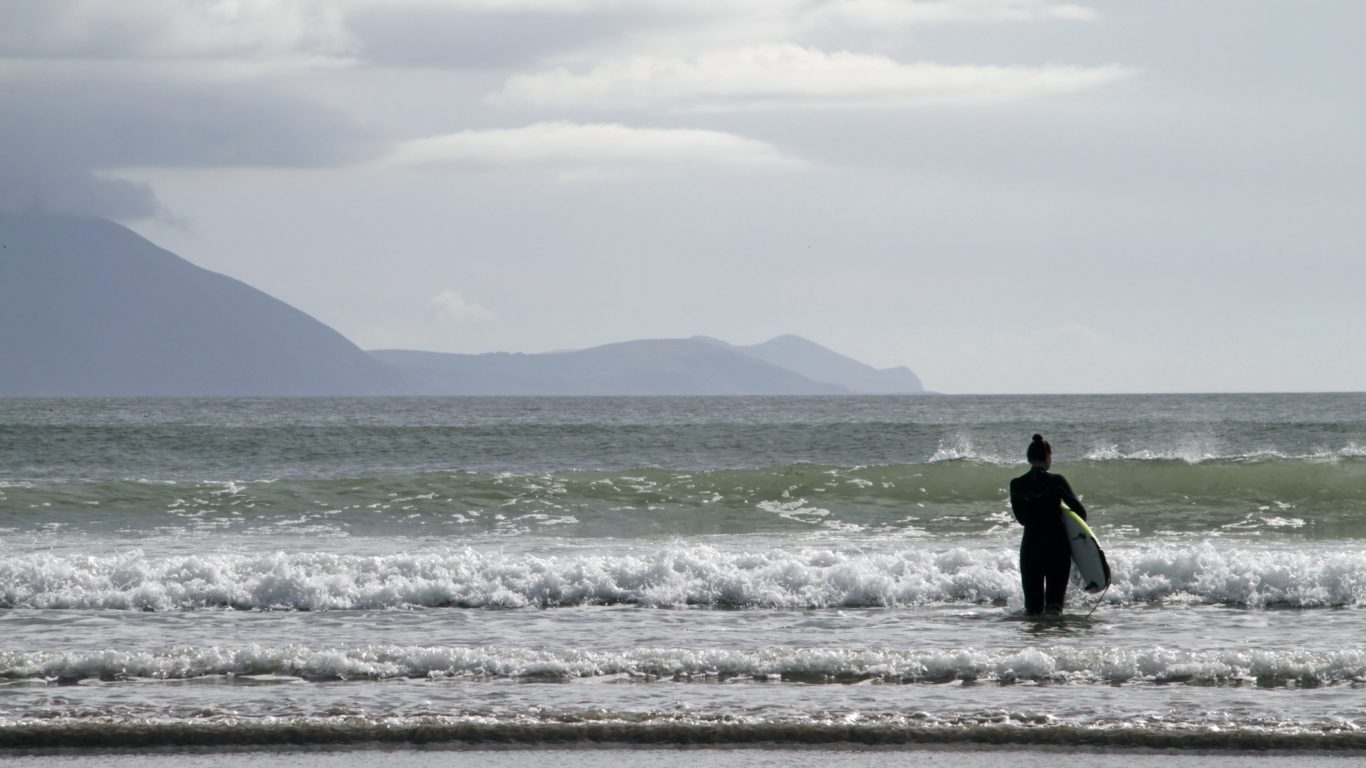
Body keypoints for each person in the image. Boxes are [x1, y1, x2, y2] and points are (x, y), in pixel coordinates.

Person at [1009, 434, 1087, 615]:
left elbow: (1021, 519)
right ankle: (1054, 641)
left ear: (1029, 458)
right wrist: (1061, 499)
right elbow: (1081, 514)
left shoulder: (1017, 484)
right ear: (1048, 457)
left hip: (1031, 549)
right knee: (1054, 608)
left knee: (1033, 609)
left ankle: (1033, 642)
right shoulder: (1056, 481)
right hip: (1057, 550)